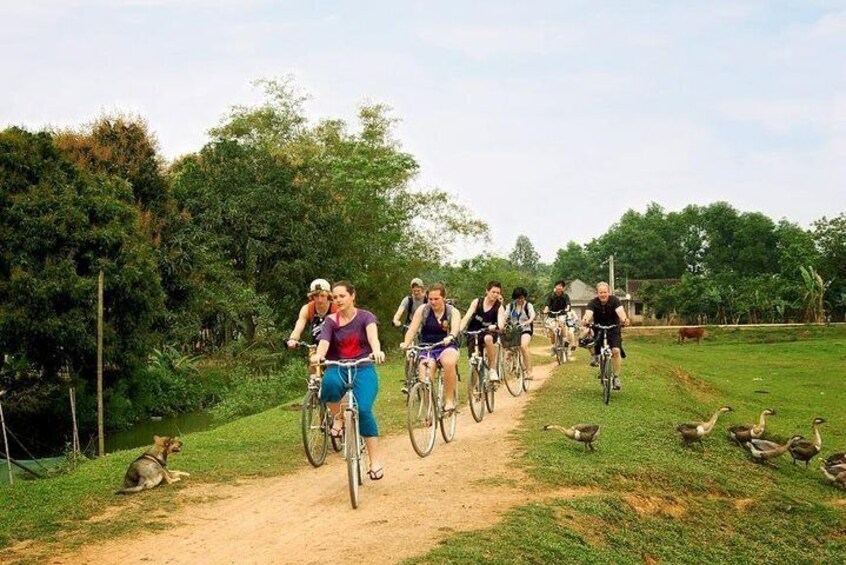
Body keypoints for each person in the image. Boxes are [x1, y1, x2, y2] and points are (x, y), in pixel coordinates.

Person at [310, 281, 386, 480]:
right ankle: (338, 417)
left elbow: (373, 337)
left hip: (363, 367)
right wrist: (319, 356)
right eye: (334, 297)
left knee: (365, 410)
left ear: (352, 296)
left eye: (341, 296)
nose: (337, 300)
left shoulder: (365, 317)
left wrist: (376, 351)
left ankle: (374, 461)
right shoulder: (331, 321)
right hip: (339, 366)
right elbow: (324, 342)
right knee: (328, 385)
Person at [400, 283, 461, 412]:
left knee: (449, 362)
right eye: (430, 299)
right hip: (427, 347)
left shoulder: (452, 311)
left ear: (444, 298)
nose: (433, 302)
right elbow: (412, 329)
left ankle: (449, 400)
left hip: (447, 346)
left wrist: (450, 336)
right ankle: (429, 410)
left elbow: (455, 329)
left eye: (436, 299)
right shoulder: (423, 310)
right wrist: (406, 343)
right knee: (424, 375)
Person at [581, 282, 630, 390]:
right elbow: (588, 313)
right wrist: (585, 319)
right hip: (598, 328)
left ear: (609, 292)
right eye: (600, 292)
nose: (603, 295)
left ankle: (616, 377)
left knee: (616, 351)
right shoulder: (593, 302)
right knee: (587, 338)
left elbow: (620, 312)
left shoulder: (615, 301)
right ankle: (595, 356)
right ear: (597, 293)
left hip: (613, 329)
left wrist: (624, 319)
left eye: (605, 292)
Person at [460, 281, 506, 381]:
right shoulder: (477, 302)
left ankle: (492, 369)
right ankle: (475, 389)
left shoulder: (499, 307)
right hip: (474, 332)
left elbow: (501, 324)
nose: (495, 295)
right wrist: (459, 329)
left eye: (498, 293)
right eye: (493, 292)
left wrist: (496, 326)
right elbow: (467, 317)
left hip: (489, 332)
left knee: (488, 338)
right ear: (487, 291)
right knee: (473, 362)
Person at [287, 278, 337, 350]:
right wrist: (293, 339)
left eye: (322, 295)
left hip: (336, 347)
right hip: (315, 347)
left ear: (328, 296)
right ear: (312, 296)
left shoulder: (336, 308)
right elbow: (298, 327)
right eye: (316, 296)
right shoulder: (307, 309)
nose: (319, 300)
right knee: (313, 360)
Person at [505, 287, 536, 379]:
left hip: (525, 329)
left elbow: (532, 315)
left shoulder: (528, 305)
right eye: (518, 298)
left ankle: (529, 371)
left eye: (522, 298)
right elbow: (504, 316)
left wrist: (528, 321)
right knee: (507, 347)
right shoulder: (510, 306)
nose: (520, 300)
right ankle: (513, 365)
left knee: (523, 346)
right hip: (513, 330)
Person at [542, 280, 572, 354]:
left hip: (562, 314)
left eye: (561, 286)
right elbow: (547, 305)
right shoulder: (551, 296)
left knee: (561, 323)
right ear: (555, 287)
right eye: (558, 285)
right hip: (552, 315)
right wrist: (545, 310)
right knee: (551, 331)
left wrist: (567, 309)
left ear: (563, 288)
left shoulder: (565, 296)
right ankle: (553, 346)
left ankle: (565, 340)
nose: (559, 287)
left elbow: (568, 304)